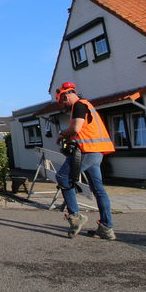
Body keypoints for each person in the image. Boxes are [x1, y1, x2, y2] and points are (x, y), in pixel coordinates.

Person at [54, 82, 116, 240]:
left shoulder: (79, 106)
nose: (64, 105)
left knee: (62, 177)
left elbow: (76, 128)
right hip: (97, 152)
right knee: (98, 189)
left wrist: (62, 134)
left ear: (66, 95)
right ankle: (106, 228)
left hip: (87, 151)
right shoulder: (88, 105)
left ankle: (76, 216)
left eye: (63, 102)